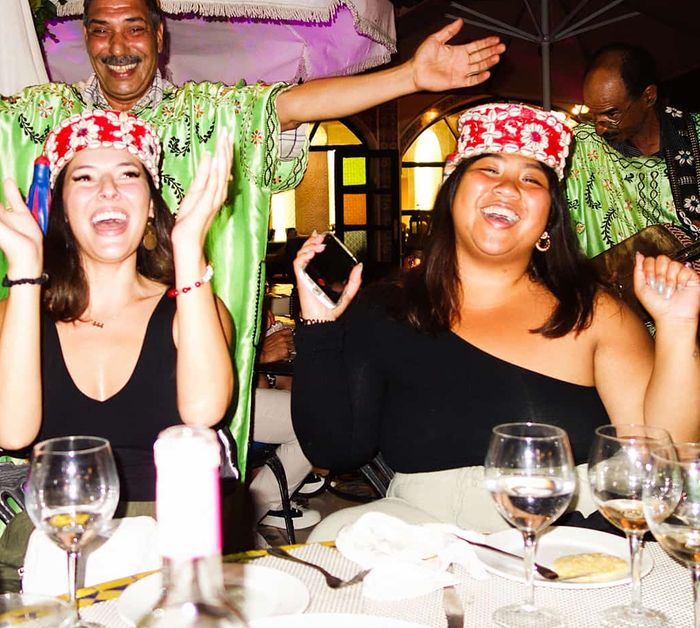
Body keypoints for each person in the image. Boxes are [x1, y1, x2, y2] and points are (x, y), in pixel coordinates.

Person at [0, 0, 505, 467]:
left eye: (133, 27)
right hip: (53, 330)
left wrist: (409, 79)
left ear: (160, 35)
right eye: (101, 31)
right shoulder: (39, 117)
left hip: (179, 334)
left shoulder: (205, 117)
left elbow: (290, 106)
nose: (118, 45)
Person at [291, 102, 700, 538]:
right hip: (427, 536)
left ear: (549, 222)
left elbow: (661, 453)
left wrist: (677, 327)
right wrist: (319, 330)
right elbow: (335, 450)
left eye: (531, 178)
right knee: (337, 534)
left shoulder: (594, 313)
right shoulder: (385, 308)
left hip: (566, 532)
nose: (507, 188)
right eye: (488, 169)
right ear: (451, 195)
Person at [0, 110, 234, 503]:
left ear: (151, 206)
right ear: (63, 212)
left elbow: (204, 413)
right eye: (84, 177)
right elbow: (11, 433)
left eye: (128, 174)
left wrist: (187, 246)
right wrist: (23, 270)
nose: (107, 190)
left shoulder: (192, 310)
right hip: (60, 534)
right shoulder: (7, 319)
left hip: (173, 533)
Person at [566, 44, 700, 258]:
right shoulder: (581, 146)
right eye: (594, 115)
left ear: (648, 96)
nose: (600, 128)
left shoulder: (694, 136)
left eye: (612, 113)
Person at [251, 307, 321, 531]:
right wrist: (260, 355)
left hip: (234, 395)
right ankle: (258, 507)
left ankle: (278, 487)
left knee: (316, 413)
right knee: (314, 419)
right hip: (193, 404)